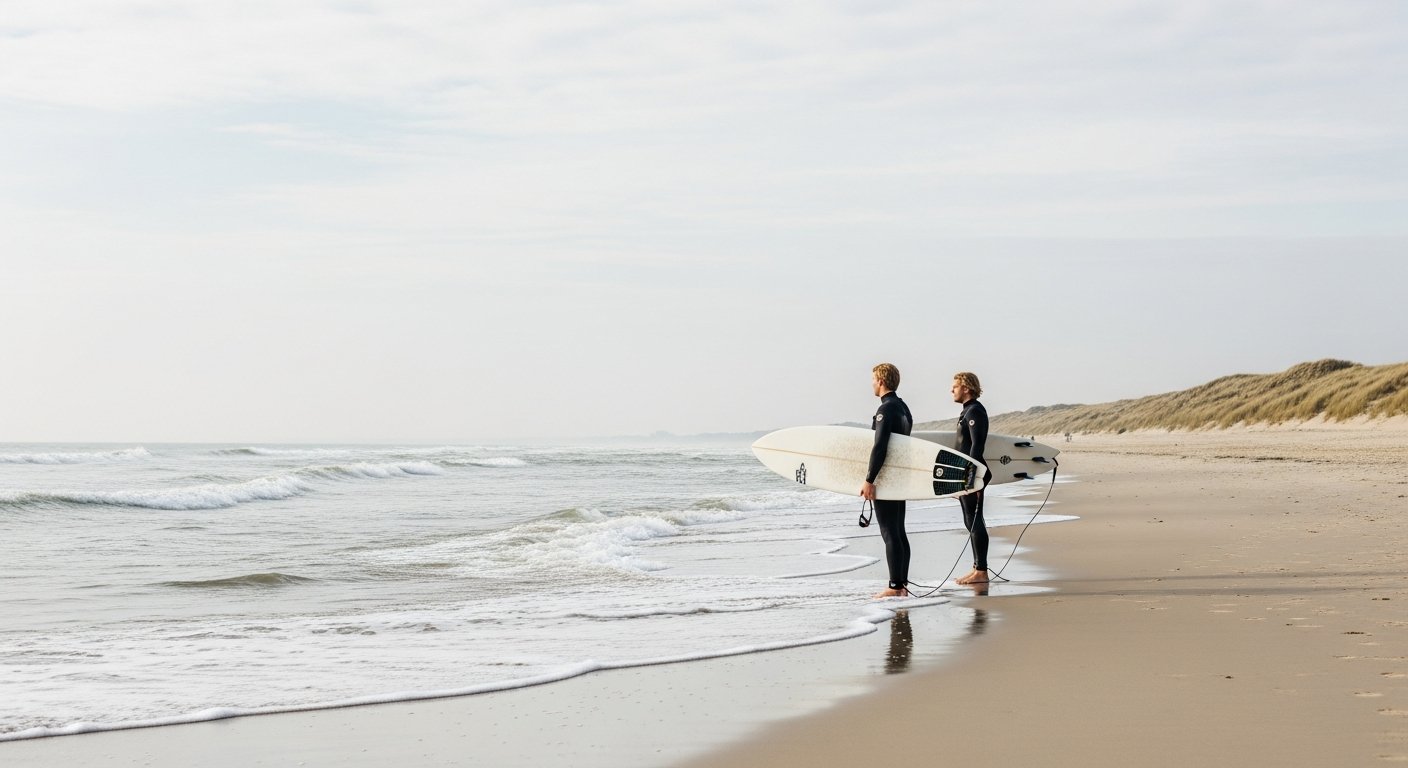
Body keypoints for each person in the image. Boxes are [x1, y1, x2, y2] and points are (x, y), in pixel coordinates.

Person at [860, 362, 913, 598]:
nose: (871, 383)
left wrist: (869, 479)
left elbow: (880, 446)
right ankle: (901, 584)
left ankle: (895, 587)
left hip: (887, 477)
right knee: (899, 530)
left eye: (873, 379)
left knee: (889, 532)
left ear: (881, 381)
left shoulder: (885, 409)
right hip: (900, 476)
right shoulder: (903, 408)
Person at [952, 371, 993, 585]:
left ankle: (982, 571)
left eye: (955, 386)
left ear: (966, 388)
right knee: (970, 520)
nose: (952, 390)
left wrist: (971, 478)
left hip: (973, 473)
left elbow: (977, 445)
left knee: (975, 520)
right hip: (967, 473)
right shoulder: (968, 411)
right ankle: (978, 567)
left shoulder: (975, 410)